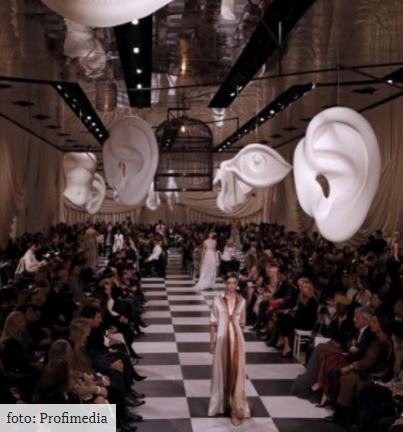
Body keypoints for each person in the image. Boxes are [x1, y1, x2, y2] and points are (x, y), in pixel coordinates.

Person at [208, 272, 250, 426]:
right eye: (229, 283)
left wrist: (238, 337)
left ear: (237, 284)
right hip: (221, 340)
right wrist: (211, 342)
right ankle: (221, 404)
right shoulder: (217, 300)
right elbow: (213, 322)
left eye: (234, 283)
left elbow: (243, 323)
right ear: (225, 284)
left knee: (237, 373)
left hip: (237, 341)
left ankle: (236, 410)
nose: (232, 286)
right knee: (221, 372)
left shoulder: (242, 301)